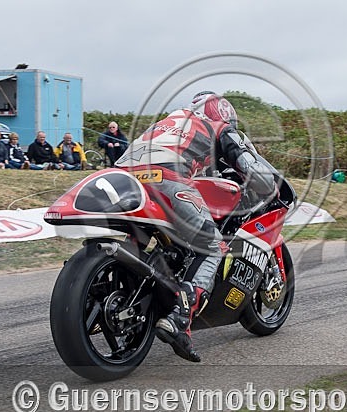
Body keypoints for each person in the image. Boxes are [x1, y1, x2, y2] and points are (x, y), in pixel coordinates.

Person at [114, 91, 277, 362]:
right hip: (167, 177)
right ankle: (180, 319)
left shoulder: (169, 122)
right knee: (211, 244)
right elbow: (247, 164)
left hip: (124, 176)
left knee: (150, 238)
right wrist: (269, 186)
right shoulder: (219, 127)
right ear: (223, 113)